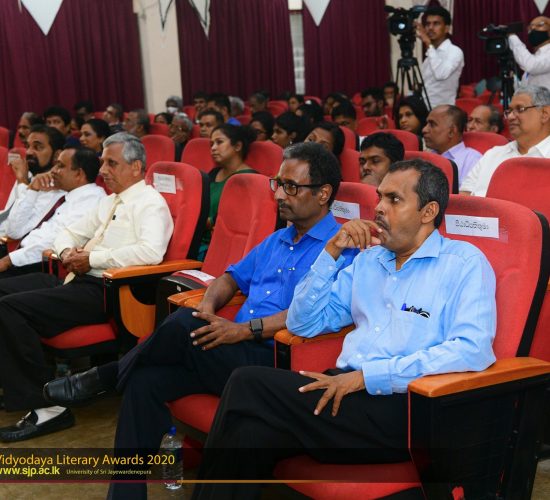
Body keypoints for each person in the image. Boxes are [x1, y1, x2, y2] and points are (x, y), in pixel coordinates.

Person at [43, 142, 358, 500]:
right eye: (277, 184)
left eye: (291, 187)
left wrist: (241, 330)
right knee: (145, 380)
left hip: (275, 361)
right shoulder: (278, 239)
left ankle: (108, 375)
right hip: (229, 350)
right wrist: (208, 307)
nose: (279, 195)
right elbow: (230, 278)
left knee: (181, 323)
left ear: (323, 194)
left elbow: (310, 316)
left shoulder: (342, 249)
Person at [191, 159, 497, 500]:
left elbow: (472, 349)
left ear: (428, 212)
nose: (378, 208)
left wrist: (367, 377)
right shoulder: (369, 259)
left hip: (404, 408)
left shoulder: (464, 264)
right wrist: (331, 251)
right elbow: (302, 322)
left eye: (394, 199)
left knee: (246, 382)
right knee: (248, 436)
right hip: (343, 393)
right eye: (379, 197)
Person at [0, 132, 173, 442]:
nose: (103, 170)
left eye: (111, 163)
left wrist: (92, 257)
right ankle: (14, 381)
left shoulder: (150, 204)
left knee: (9, 309)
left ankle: (48, 408)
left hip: (108, 291)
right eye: (103, 162)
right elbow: (68, 232)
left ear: (136, 167)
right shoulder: (108, 201)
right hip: (76, 277)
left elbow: (150, 253)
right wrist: (68, 252)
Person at [0, 146, 105, 277]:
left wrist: (9, 261)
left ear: (79, 174)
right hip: (18, 256)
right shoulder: (60, 194)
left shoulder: (92, 201)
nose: (53, 170)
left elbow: (54, 242)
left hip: (41, 265)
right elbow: (14, 231)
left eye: (60, 166)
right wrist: (33, 189)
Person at [461, 85, 550, 196]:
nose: (510, 117)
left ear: (545, 114)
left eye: (520, 109)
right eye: (510, 111)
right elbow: (465, 196)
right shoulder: (493, 154)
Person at [198, 125, 258, 259]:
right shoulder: (213, 173)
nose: (213, 148)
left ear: (237, 146)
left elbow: (228, 220)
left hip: (222, 248)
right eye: (211, 144)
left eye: (219, 142)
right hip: (200, 239)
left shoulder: (249, 179)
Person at [0, 125, 66, 237]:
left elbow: (15, 229)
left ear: (57, 155)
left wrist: (22, 182)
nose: (29, 152)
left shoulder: (54, 189)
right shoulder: (28, 175)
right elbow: (7, 214)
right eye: (27, 146)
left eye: (38, 147)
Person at [416, 6, 464, 107]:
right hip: (425, 110)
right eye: (428, 24)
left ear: (447, 28)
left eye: (436, 23)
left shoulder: (454, 51)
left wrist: (428, 44)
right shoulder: (431, 54)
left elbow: (441, 74)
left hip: (444, 111)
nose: (430, 28)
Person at [423, 105, 481, 183]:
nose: (424, 130)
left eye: (432, 124)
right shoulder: (425, 156)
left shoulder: (472, 160)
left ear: (451, 131)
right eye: (426, 124)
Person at [509, 16, 550, 90]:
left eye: (540, 25)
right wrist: (513, 80)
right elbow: (525, 90)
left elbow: (531, 65)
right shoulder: (536, 56)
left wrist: (512, 36)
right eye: (530, 27)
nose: (533, 29)